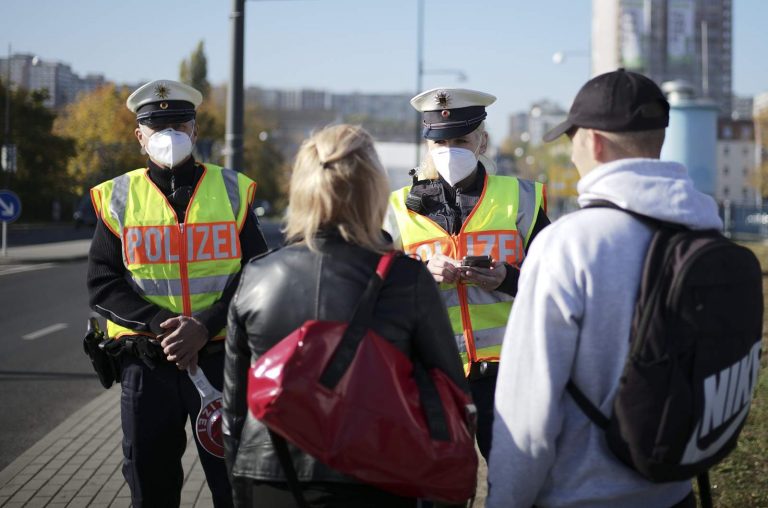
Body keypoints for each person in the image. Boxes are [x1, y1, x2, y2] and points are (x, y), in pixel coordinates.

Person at [486, 69, 720, 507]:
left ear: (593, 143)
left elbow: (527, 418)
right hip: (675, 490)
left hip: (581, 497)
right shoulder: (704, 231)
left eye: (571, 140)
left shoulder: (568, 245)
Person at [223, 124, 468, 508]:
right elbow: (448, 393)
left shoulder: (256, 276)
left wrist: (240, 487)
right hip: (376, 473)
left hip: (271, 475)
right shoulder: (406, 278)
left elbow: (235, 409)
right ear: (373, 190)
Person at [87, 79, 268, 507]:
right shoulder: (117, 197)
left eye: (179, 124)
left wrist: (205, 325)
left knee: (235, 486)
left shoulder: (233, 189)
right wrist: (161, 326)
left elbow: (259, 272)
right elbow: (103, 281)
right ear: (140, 136)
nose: (169, 135)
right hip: (148, 363)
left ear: (195, 130)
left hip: (220, 356)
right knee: (150, 488)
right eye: (157, 126)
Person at [384, 87, 550, 461]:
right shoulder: (398, 208)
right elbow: (378, 289)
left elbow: (554, 284)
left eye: (461, 140)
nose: (450, 150)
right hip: (433, 370)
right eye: (440, 142)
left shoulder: (521, 198)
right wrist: (422, 275)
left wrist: (508, 279)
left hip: (507, 372)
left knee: (512, 478)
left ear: (482, 142)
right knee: (438, 480)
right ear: (427, 145)